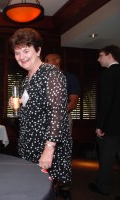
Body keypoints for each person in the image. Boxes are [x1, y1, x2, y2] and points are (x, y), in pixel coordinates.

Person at [8, 28, 72, 195]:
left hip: (46, 145)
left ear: (38, 51)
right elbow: (35, 105)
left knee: (43, 193)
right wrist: (19, 103)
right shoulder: (27, 78)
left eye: (26, 51)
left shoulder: (52, 74)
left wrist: (49, 150)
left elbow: (58, 113)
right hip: (29, 143)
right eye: (17, 53)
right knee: (30, 191)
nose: (21, 57)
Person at [88, 45, 120, 197]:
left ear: (109, 55)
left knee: (107, 159)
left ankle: (103, 187)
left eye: (100, 55)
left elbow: (106, 102)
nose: (98, 59)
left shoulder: (108, 74)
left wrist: (99, 125)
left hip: (111, 126)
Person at [45, 53, 81, 135]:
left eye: (48, 60)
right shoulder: (42, 78)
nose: (45, 62)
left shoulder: (70, 78)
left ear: (58, 61)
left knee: (62, 145)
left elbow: (73, 103)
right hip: (43, 119)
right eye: (45, 60)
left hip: (62, 117)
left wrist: (57, 115)